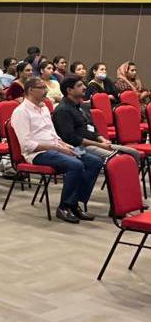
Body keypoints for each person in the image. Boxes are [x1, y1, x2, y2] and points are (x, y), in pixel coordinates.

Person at [10, 77, 103, 223]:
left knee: (94, 161)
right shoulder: (21, 112)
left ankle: (74, 204)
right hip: (39, 153)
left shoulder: (44, 108)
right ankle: (64, 207)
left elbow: (53, 135)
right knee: (76, 164)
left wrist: (64, 145)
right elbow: (26, 145)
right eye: (42, 88)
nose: (46, 90)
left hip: (57, 147)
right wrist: (56, 147)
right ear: (31, 90)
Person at [53, 77, 142, 166]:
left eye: (83, 84)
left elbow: (92, 127)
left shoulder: (82, 106)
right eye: (79, 86)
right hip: (77, 147)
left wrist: (102, 140)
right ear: (69, 90)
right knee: (118, 158)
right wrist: (99, 145)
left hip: (94, 143)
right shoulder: (63, 110)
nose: (84, 87)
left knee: (133, 153)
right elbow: (71, 138)